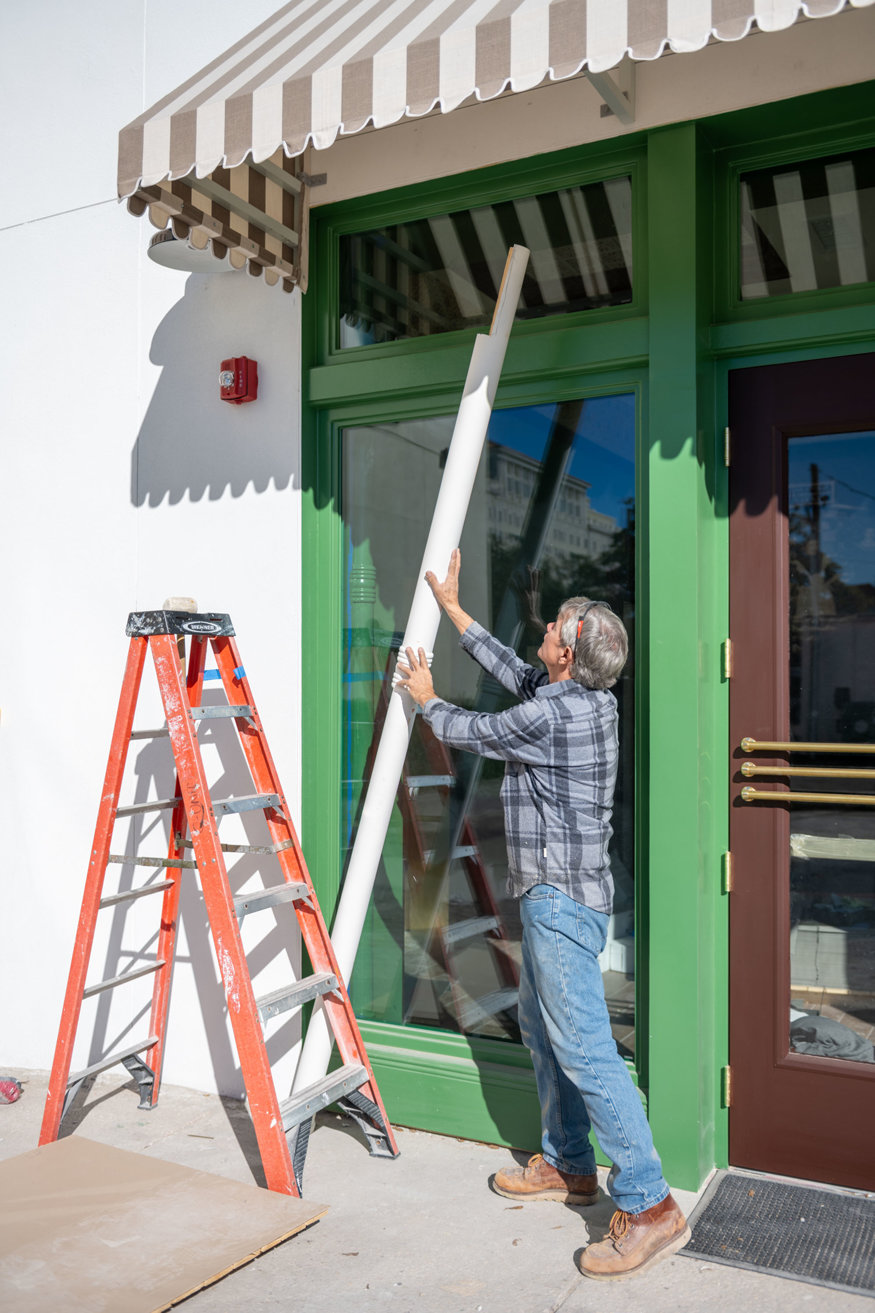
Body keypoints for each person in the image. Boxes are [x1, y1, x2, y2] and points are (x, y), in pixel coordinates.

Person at [396, 549, 690, 1281]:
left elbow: (476, 730)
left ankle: (651, 1205)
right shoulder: (582, 699)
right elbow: (510, 670)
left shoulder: (551, 713)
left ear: (568, 647)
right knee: (542, 1028)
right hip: (562, 897)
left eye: (557, 622)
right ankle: (567, 1161)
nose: (549, 622)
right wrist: (454, 606)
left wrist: (428, 699)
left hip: (557, 902)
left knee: (586, 1047)